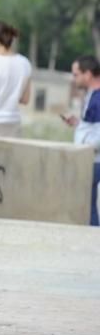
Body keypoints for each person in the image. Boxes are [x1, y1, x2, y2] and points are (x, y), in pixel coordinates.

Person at [61, 55, 100, 225]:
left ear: (88, 74)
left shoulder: (98, 98)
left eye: (76, 74)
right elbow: (93, 126)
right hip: (91, 155)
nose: (74, 78)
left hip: (94, 158)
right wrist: (79, 124)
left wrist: (88, 147)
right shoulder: (92, 95)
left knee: (85, 204)